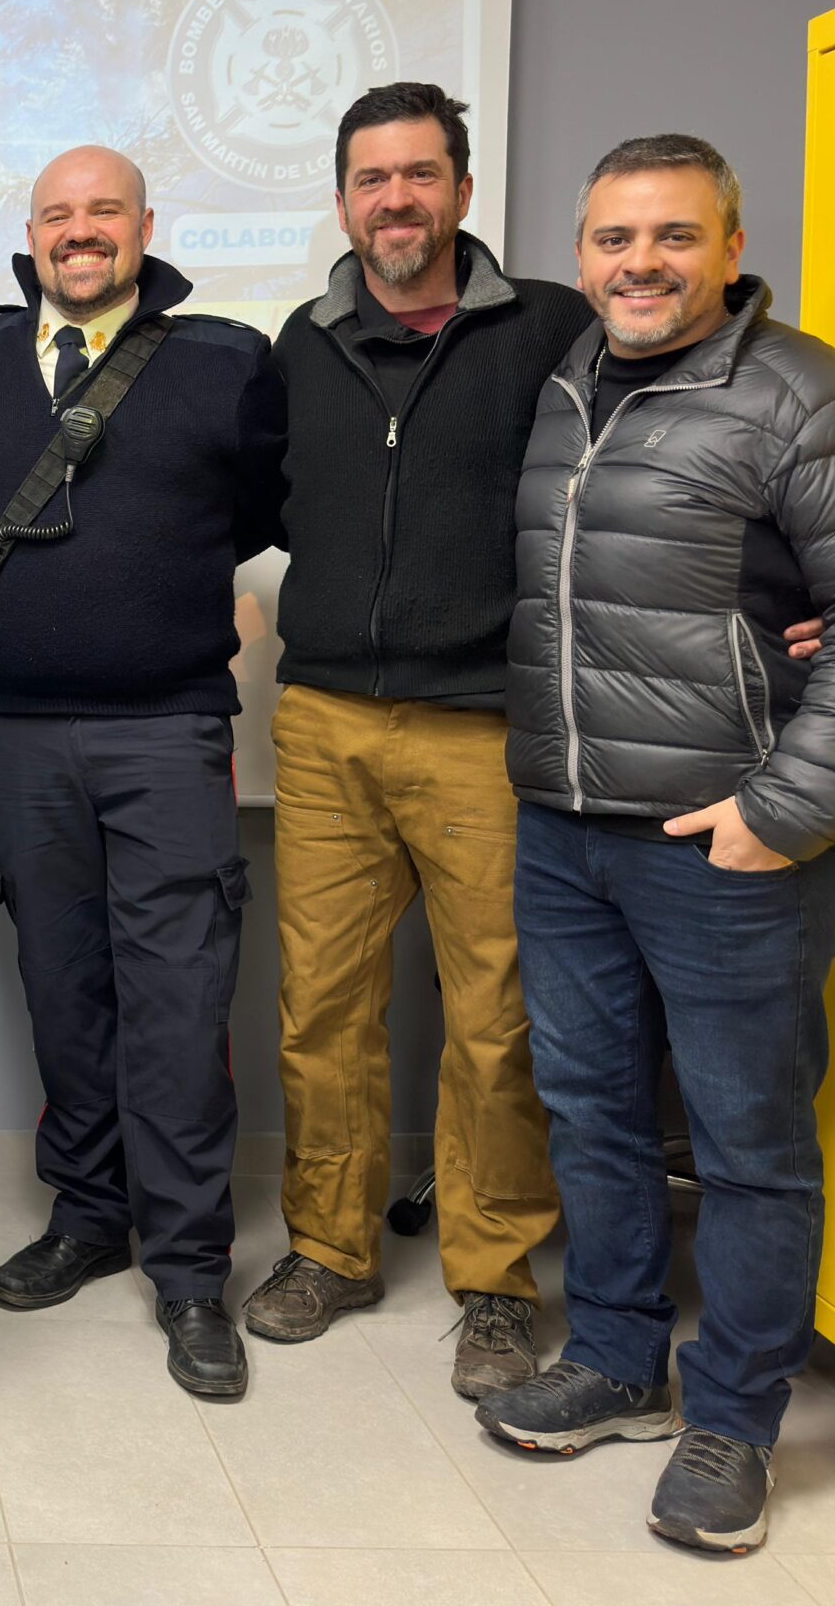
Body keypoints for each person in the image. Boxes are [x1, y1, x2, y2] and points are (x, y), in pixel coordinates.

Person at [479, 134, 835, 1554]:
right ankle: (620, 1360)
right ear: (581, 255)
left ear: (732, 249)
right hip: (567, 827)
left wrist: (783, 813)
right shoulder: (569, 383)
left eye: (673, 236)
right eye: (614, 239)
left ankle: (734, 1420)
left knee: (749, 1146)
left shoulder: (811, 397)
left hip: (721, 843)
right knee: (594, 1113)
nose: (641, 264)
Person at [0, 145, 285, 1400]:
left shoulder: (223, 362)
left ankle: (187, 1273)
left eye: (104, 212)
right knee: (62, 989)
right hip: (21, 737)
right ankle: (86, 1215)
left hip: (166, 733)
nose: (80, 233)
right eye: (57, 215)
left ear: (145, 226)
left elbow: (259, 513)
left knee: (178, 1006)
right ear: (31, 234)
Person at [242, 84, 581, 1395]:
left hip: (480, 726)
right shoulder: (303, 341)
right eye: (372, 179)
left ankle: (493, 1283)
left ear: (462, 191)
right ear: (343, 201)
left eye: (420, 175)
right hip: (326, 718)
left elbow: (637, 474)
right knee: (321, 1006)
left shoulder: (546, 327)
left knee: (497, 1018)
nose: (397, 201)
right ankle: (326, 1248)